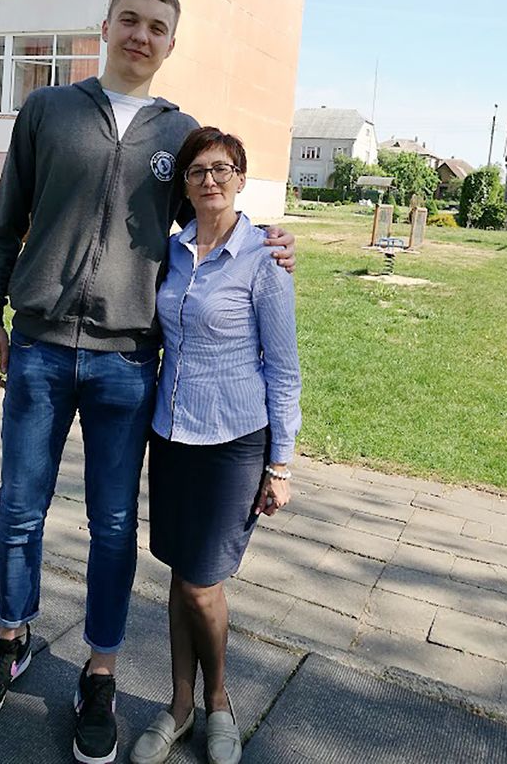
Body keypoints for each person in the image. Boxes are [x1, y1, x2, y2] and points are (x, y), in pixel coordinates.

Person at [0, 0, 296, 764]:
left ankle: (101, 671)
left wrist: (269, 242)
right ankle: (10, 638)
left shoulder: (176, 135)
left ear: (172, 42)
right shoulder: (48, 111)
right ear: (106, 25)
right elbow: (5, 221)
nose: (142, 36)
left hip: (126, 362)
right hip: (39, 347)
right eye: (130, 21)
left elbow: (210, 218)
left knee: (112, 525)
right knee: (19, 508)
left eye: (157, 27)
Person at [130, 127, 301, 764]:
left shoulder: (265, 259)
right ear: (185, 184)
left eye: (222, 168)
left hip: (234, 442)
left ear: (241, 179)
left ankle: (219, 702)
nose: (210, 179)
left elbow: (283, 368)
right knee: (179, 576)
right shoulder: (172, 254)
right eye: (198, 170)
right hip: (172, 435)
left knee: (203, 584)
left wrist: (280, 463)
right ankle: (178, 706)